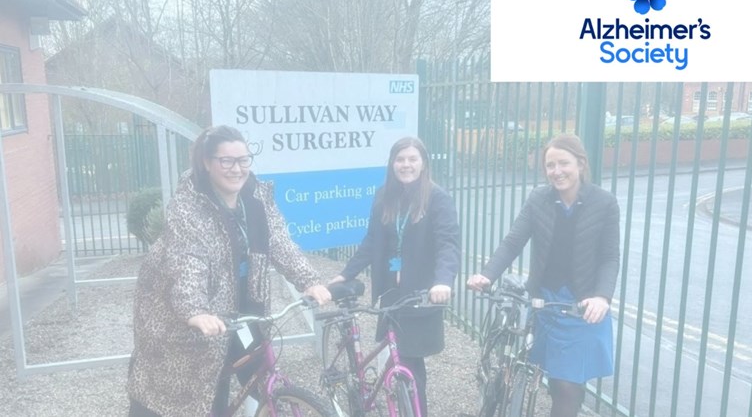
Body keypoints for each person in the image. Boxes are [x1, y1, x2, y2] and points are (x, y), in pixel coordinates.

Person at [127, 125, 331, 417]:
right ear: (207, 163)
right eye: (227, 161)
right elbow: (188, 262)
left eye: (243, 160)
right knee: (174, 395)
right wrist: (195, 310)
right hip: (180, 318)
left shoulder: (257, 197)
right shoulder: (189, 207)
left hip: (242, 306)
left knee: (248, 368)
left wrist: (309, 281)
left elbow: (279, 241)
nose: (237, 169)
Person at [466, 133, 620, 417]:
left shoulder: (604, 203)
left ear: (580, 164)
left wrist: (602, 297)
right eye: (550, 165)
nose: (556, 171)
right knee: (554, 380)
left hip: (582, 307)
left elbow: (610, 257)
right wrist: (487, 275)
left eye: (563, 163)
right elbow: (513, 242)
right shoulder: (539, 198)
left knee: (567, 386)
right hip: (545, 301)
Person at [329, 136, 460, 416]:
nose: (406, 165)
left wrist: (443, 280)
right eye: (400, 159)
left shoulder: (437, 198)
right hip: (391, 293)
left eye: (412, 159)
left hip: (418, 295)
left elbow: (448, 244)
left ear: (423, 163)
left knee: (411, 365)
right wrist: (346, 273)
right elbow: (371, 241)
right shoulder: (384, 196)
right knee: (395, 355)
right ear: (392, 163)